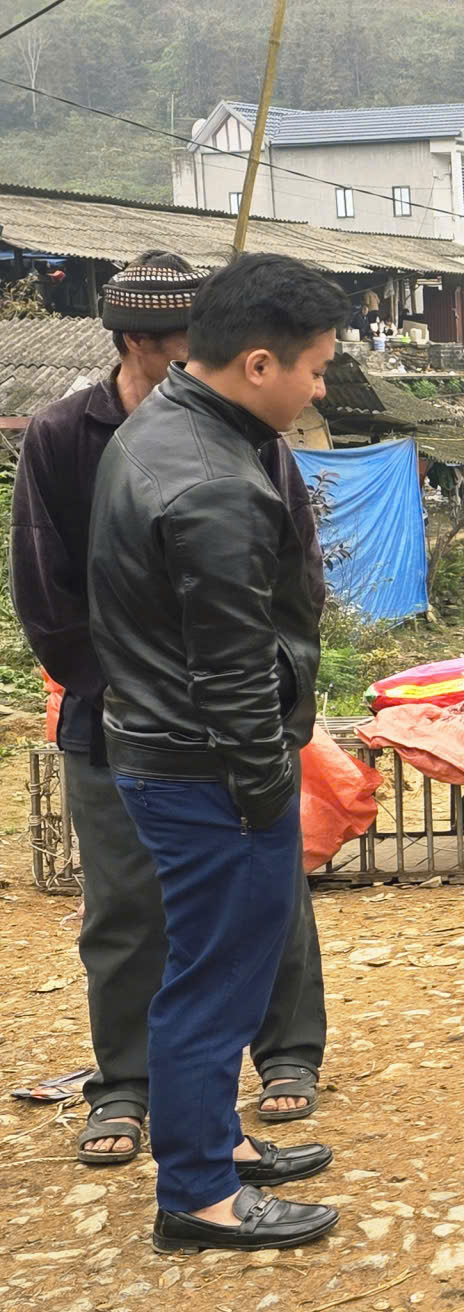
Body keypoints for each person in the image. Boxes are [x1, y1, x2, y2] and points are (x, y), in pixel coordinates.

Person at [9, 252, 331, 1168]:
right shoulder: (75, 435)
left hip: (193, 724)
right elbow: (49, 594)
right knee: (134, 912)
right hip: (147, 723)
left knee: (259, 911)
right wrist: (151, 702)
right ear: (136, 344)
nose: (195, 369)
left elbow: (291, 573)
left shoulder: (240, 433)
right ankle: (132, 1092)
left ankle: (285, 1056)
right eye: (179, 355)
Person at [88, 252, 344, 1253]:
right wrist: (264, 785)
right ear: (256, 362)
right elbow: (233, 666)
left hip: (161, 744)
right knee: (215, 975)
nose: (320, 388)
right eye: (314, 370)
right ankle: (198, 1194)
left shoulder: (168, 426)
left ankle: (214, 1141)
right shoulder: (213, 487)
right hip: (206, 765)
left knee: (208, 963)